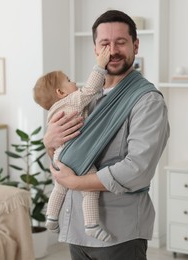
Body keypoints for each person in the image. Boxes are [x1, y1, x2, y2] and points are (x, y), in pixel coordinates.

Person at [44, 9, 170, 260]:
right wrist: (49, 142)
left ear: (135, 45)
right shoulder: (85, 98)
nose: (112, 50)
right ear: (95, 50)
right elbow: (67, 156)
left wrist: (74, 183)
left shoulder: (146, 101)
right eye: (105, 43)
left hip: (119, 232)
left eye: (121, 42)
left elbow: (137, 169)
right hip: (76, 226)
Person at [33, 46, 112, 242]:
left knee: (60, 186)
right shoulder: (72, 102)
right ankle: (91, 225)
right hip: (76, 154)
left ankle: (51, 218)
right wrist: (100, 65)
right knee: (90, 189)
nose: (74, 82)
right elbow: (90, 89)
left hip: (60, 155)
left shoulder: (53, 112)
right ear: (61, 92)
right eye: (69, 80)